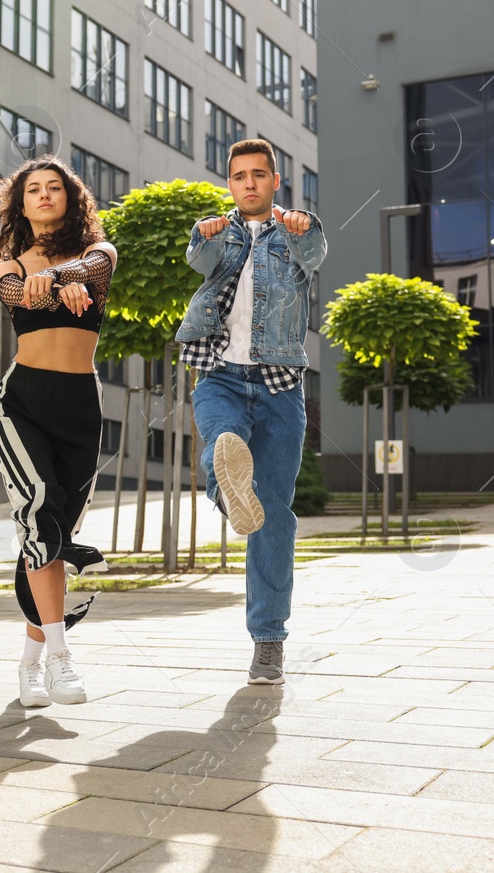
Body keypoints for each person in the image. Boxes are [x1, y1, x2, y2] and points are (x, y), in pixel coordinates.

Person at [176, 138, 326, 686]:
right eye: (239, 176)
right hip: (219, 372)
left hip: (280, 382)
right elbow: (200, 262)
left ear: (275, 181)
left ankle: (268, 642)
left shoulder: (299, 231)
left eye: (258, 175)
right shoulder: (219, 232)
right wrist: (204, 232)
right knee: (222, 447)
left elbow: (314, 257)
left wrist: (300, 224)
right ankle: (231, 491)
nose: (248, 184)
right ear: (230, 183)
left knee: (274, 514)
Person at [0, 155, 118, 709]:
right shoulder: (6, 262)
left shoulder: (99, 253)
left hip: (81, 407)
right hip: (23, 403)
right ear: (20, 203)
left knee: (54, 538)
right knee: (39, 510)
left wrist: (63, 276)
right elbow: (16, 294)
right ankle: (63, 658)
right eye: (32, 190)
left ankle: (30, 664)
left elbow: (95, 268)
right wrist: (44, 282)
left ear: (70, 197)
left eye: (53, 188)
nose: (43, 196)